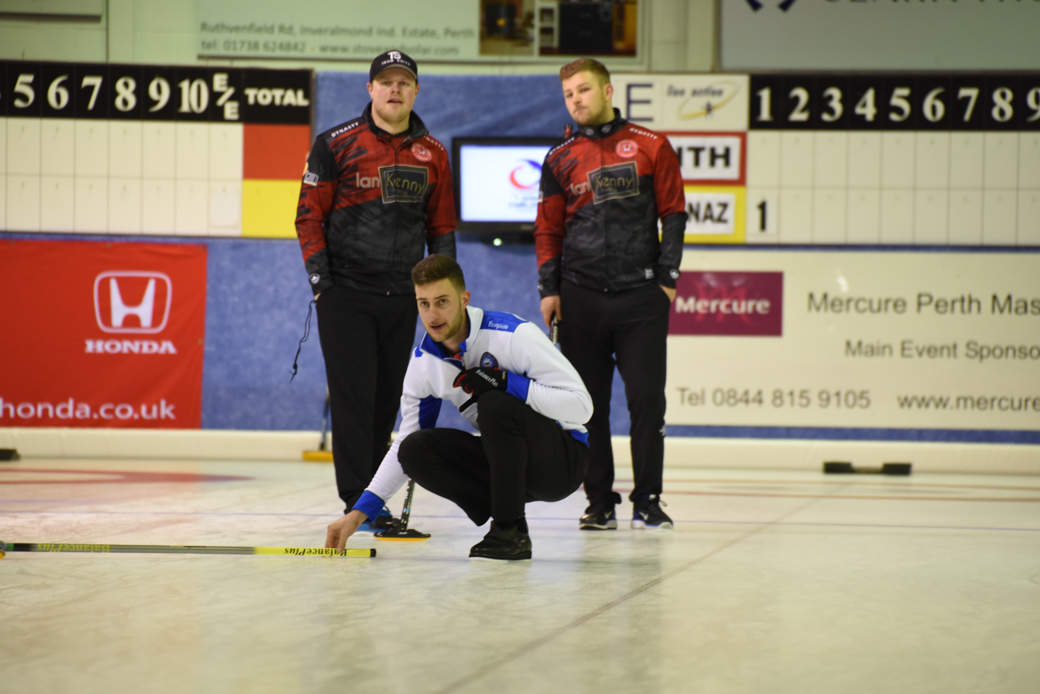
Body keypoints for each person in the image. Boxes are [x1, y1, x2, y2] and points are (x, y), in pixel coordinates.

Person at [325, 255, 592, 560]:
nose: (432, 315)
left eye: (442, 302)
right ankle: (504, 505)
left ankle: (509, 531)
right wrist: (358, 513)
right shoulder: (424, 363)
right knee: (413, 450)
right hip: (511, 470)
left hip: (562, 463)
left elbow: (581, 407)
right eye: (423, 303)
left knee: (494, 402)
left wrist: (507, 383)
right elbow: (404, 442)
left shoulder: (513, 335)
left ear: (464, 299)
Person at [295, 51, 457, 529]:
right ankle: (357, 501)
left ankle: (371, 501)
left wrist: (442, 296)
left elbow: (442, 229)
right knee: (355, 403)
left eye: (403, 82)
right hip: (345, 295)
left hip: (403, 298)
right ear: (370, 89)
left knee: (387, 403)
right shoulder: (335, 144)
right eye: (385, 81)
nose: (394, 89)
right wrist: (322, 286)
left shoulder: (434, 153)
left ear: (416, 91)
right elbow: (308, 217)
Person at [534, 58, 688, 532]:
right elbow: (548, 229)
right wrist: (549, 288)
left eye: (583, 90)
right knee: (588, 404)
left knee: (647, 401)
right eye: (568, 94)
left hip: (641, 297)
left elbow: (674, 215)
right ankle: (599, 501)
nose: (576, 100)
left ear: (607, 91)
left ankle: (648, 500)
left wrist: (667, 279)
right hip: (579, 298)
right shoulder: (558, 158)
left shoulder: (651, 145)